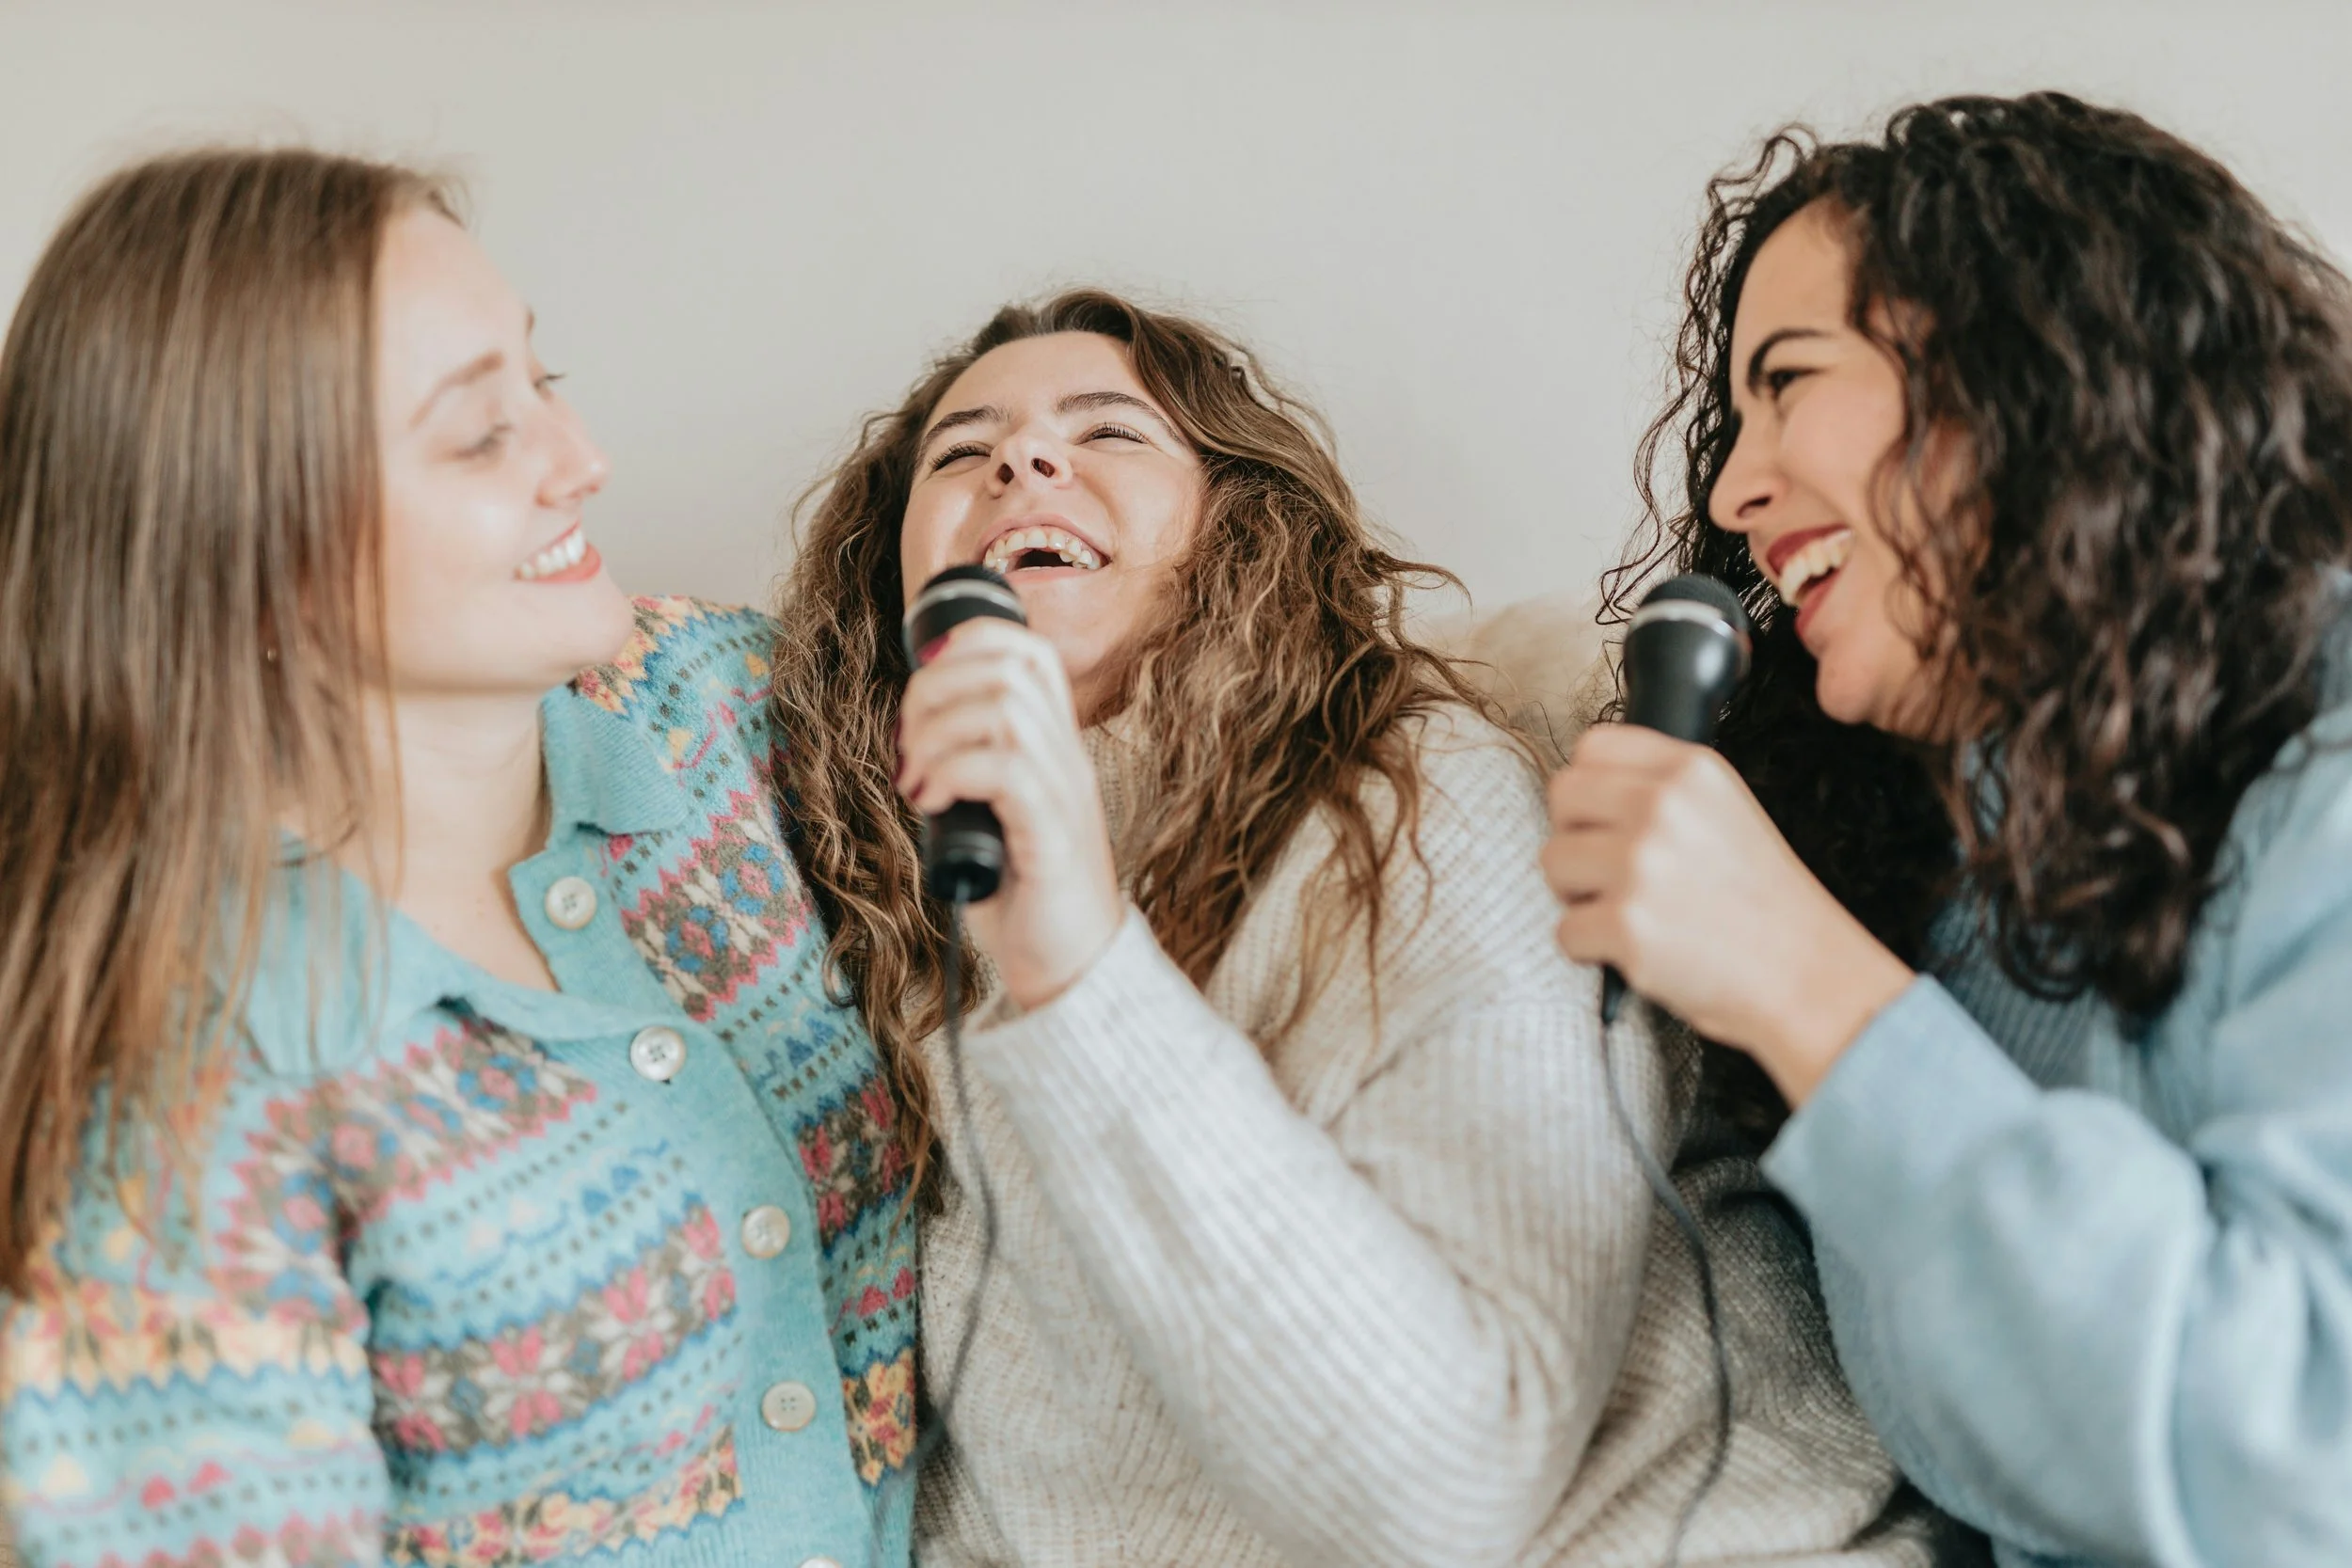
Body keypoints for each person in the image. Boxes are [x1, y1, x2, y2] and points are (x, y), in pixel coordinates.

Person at [769, 289, 1958, 1565]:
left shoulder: (1408, 803)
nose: (1023, 459)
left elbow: (1447, 1484)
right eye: (962, 451)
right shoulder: (898, 930)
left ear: (1238, 528)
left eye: (1109, 431)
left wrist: (1078, 968)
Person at [0, 150, 915, 1568]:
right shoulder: (184, 1092)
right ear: (249, 560)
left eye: (543, 382)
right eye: (481, 433)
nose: (581, 457)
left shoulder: (721, 708)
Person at [1543, 92, 2352, 1566]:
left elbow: (2299, 1462)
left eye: (1788, 381)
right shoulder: (1927, 869)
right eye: (1734, 417)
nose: (1733, 484)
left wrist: (1811, 988)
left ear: (2027, 368)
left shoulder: (2331, 765)